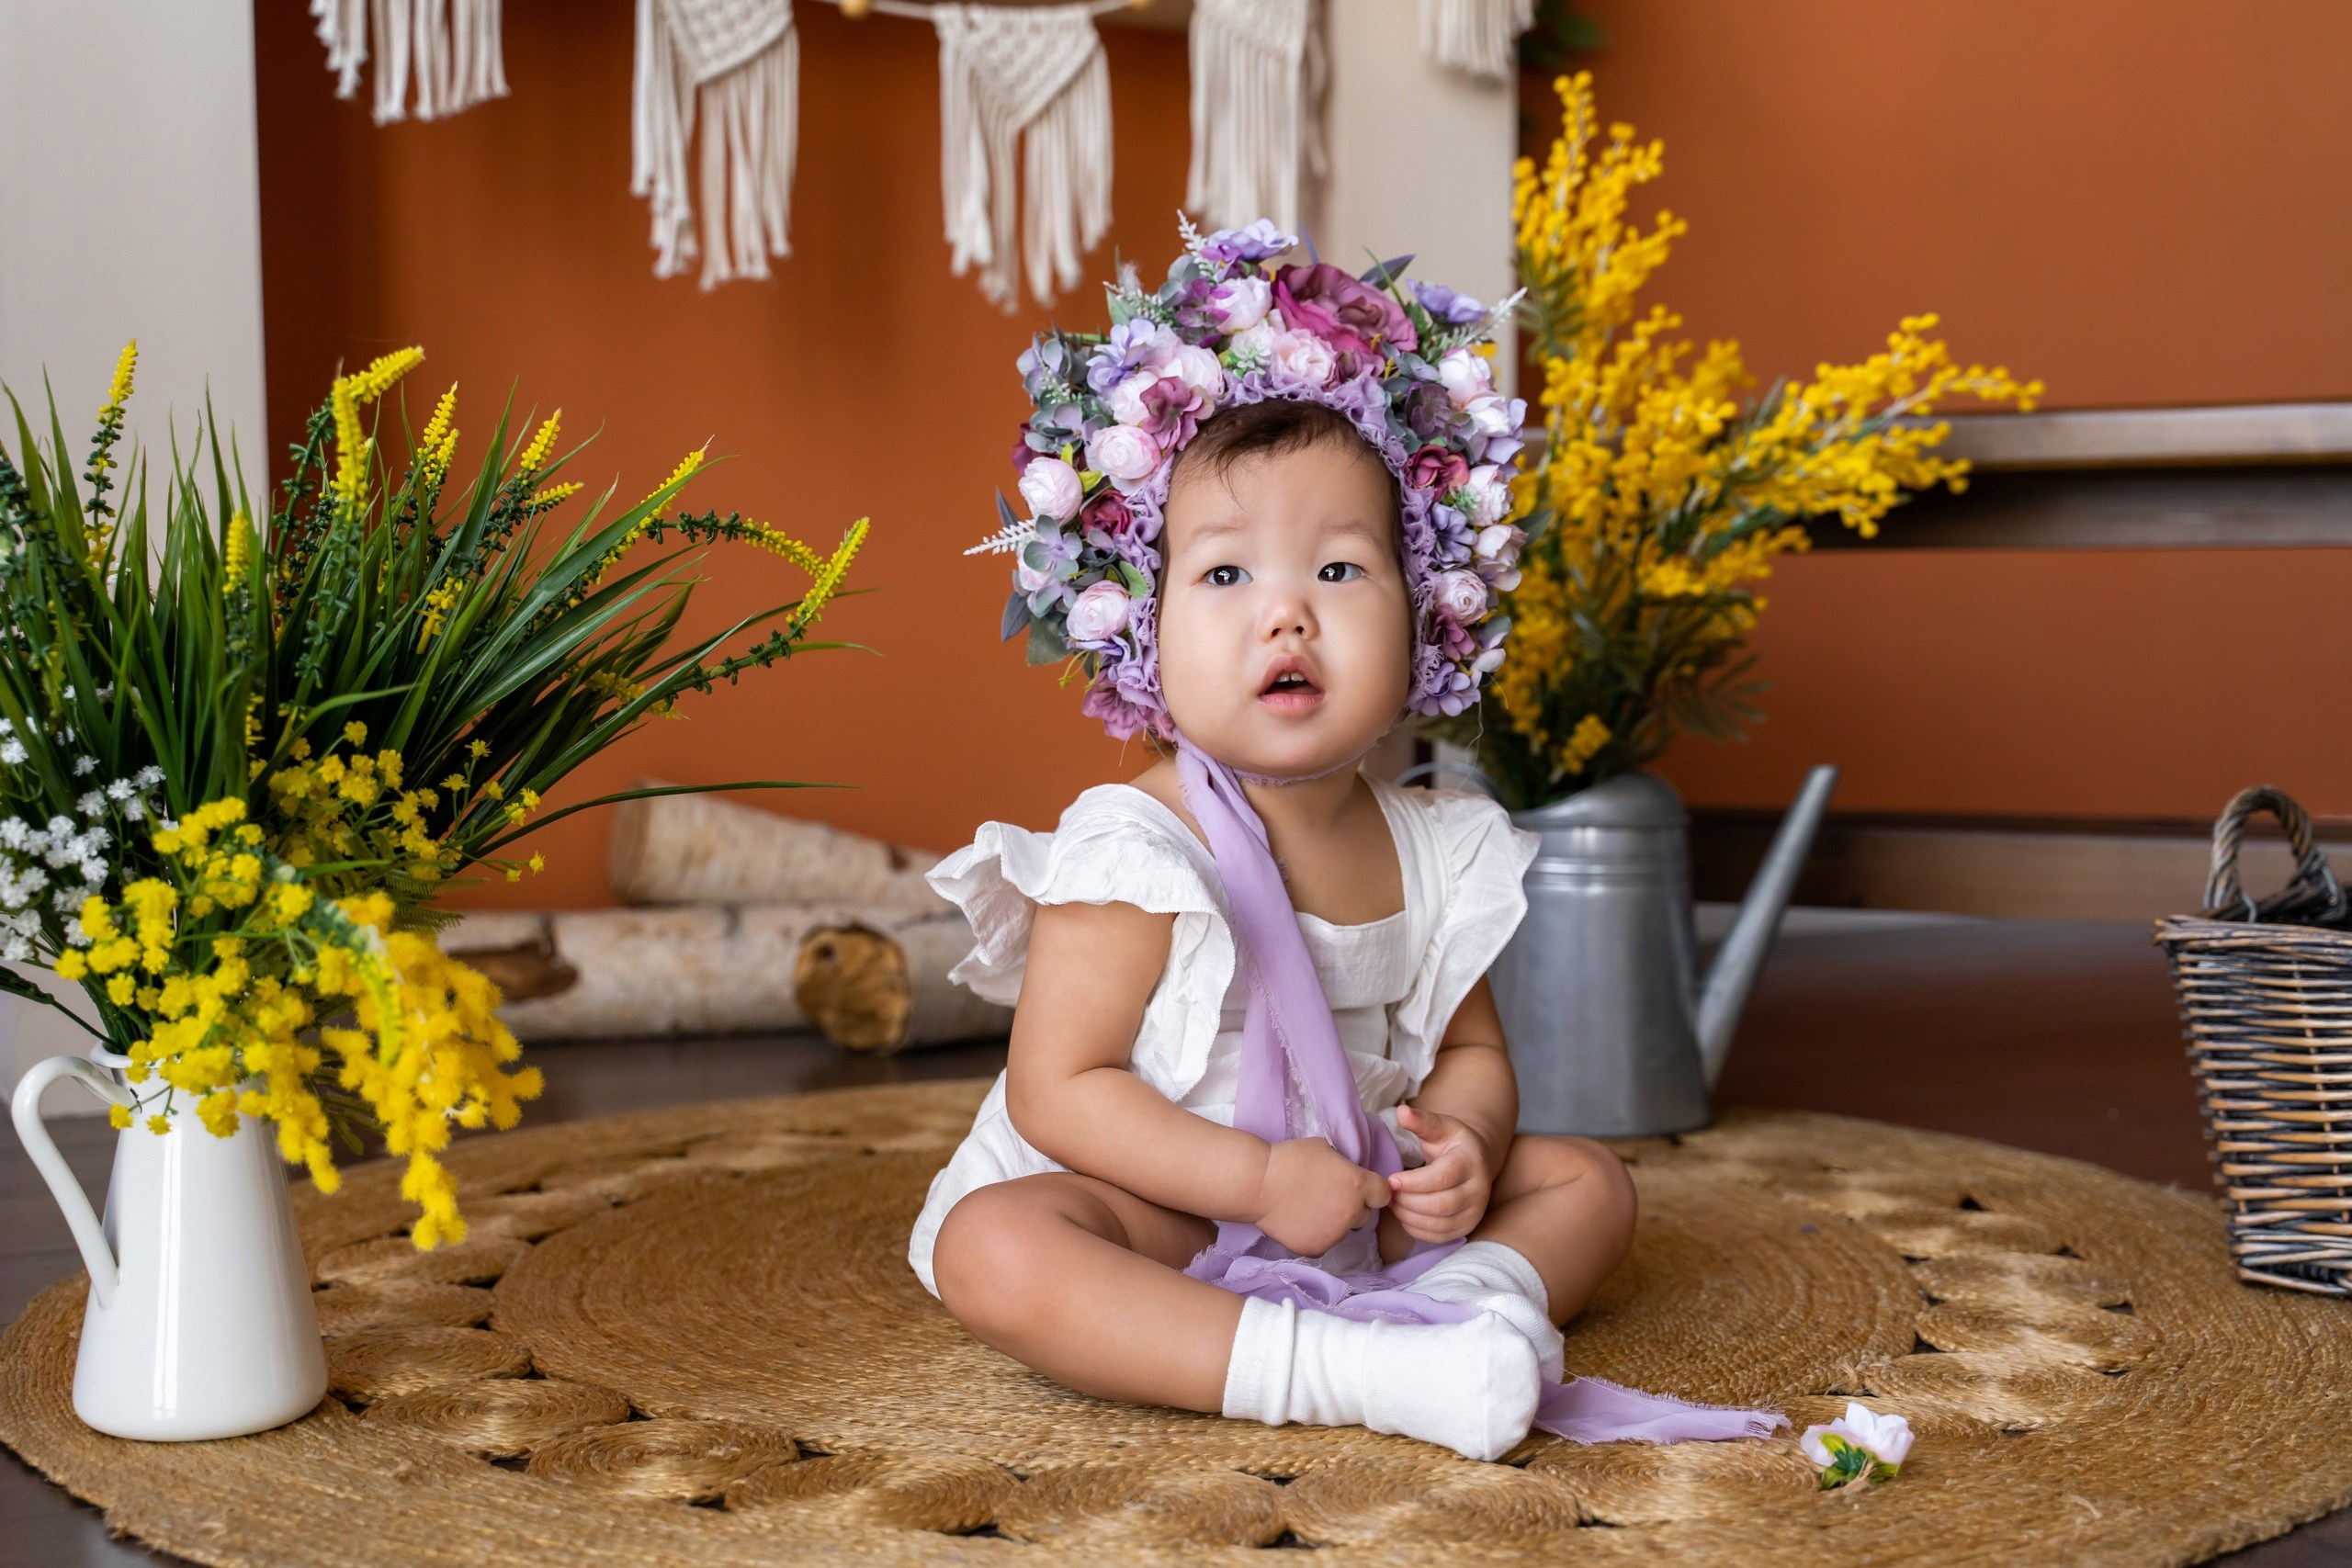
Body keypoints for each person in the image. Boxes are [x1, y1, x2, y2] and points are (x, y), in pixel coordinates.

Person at [910, 221, 1782, 1461]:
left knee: (1587, 1183)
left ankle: (1462, 1319)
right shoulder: (1135, 845)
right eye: (1222, 578)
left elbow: (1472, 1054)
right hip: (1159, 1210)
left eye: (1337, 570)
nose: (1285, 614)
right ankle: (1340, 1370)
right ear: (1139, 630)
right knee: (994, 1249)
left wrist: (1465, 1149)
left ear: (1429, 621)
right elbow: (1064, 1092)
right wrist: (1257, 1187)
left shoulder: (1438, 847)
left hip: (1365, 1206)